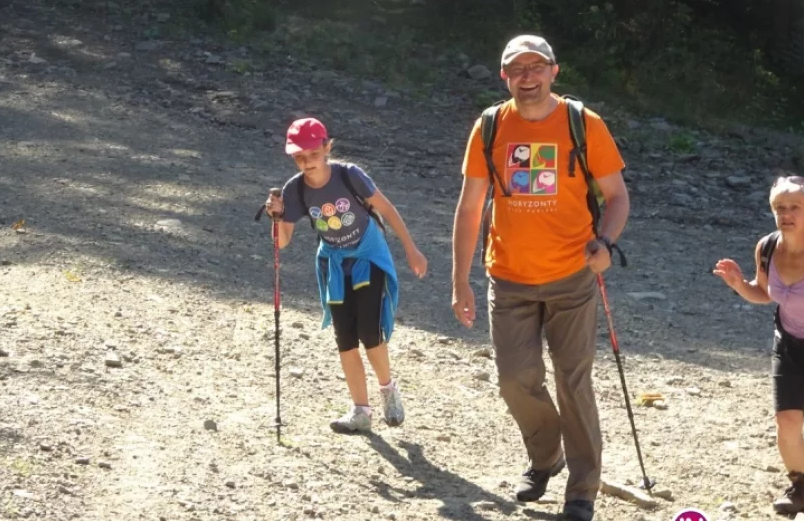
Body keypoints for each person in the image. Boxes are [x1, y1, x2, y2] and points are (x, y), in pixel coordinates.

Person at [450, 35, 630, 521]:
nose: (526, 77)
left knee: (574, 382)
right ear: (504, 77)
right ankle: (547, 456)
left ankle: (582, 490)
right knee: (514, 380)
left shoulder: (582, 124)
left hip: (572, 275)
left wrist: (605, 243)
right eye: (517, 69)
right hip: (508, 276)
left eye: (536, 67)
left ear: (554, 71)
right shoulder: (490, 126)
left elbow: (617, 196)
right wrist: (460, 280)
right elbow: (470, 207)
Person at [264, 117, 428, 434]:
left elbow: (386, 209)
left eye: (313, 153)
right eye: (300, 156)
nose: (307, 161)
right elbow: (282, 242)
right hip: (335, 264)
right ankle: (360, 410)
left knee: (369, 330)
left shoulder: (349, 175)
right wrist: (278, 216)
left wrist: (411, 249)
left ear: (328, 148)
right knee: (345, 338)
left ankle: (388, 389)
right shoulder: (294, 189)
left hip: (369, 256)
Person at [714, 175, 804, 515]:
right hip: (790, 347)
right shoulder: (767, 247)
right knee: (786, 421)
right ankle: (801, 488)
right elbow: (763, 293)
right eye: (779, 207)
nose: (786, 214)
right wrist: (738, 284)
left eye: (795, 207)